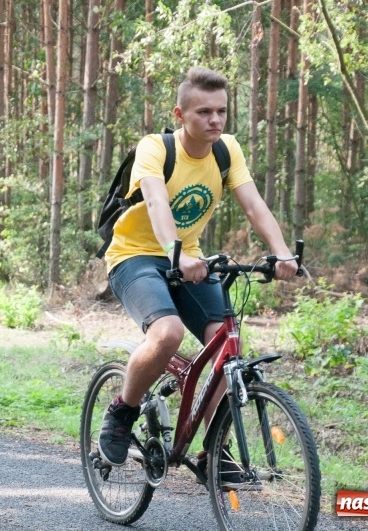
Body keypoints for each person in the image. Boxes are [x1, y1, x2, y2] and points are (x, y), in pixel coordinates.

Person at [98, 67, 297, 467]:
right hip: (134, 256)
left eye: (221, 111)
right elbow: (157, 201)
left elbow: (253, 205)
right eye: (204, 112)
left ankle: (214, 448)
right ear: (180, 114)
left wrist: (281, 252)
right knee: (167, 333)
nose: (215, 120)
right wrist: (176, 253)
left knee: (226, 344)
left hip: (189, 259)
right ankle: (122, 411)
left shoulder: (227, 150)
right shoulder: (155, 148)